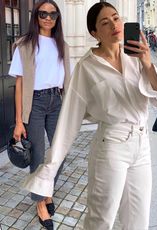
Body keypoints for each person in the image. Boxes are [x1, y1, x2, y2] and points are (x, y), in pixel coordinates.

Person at [23, 2, 157, 230]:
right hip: (111, 146)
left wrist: (147, 63)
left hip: (142, 146)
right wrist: (50, 168)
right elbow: (69, 119)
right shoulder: (87, 67)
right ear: (94, 33)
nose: (114, 24)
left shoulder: (135, 55)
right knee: (101, 219)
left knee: (139, 220)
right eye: (105, 22)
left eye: (116, 18)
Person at [8, 0, 71, 229]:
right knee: (37, 155)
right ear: (36, 16)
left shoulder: (62, 45)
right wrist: (18, 121)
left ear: (57, 18)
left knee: (59, 152)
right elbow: (19, 83)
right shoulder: (25, 45)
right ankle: (41, 202)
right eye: (43, 13)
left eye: (52, 14)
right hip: (34, 103)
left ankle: (46, 189)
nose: (48, 18)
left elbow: (68, 81)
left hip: (57, 101)